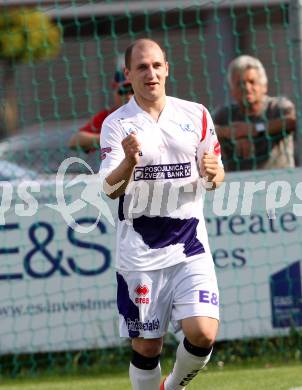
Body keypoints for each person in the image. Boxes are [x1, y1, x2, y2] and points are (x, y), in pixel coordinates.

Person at [100, 38, 224, 390]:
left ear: (167, 68)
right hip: (141, 253)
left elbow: (215, 177)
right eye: (141, 67)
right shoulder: (117, 124)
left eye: (156, 65)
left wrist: (214, 172)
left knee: (203, 332)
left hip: (190, 246)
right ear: (128, 74)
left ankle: (171, 388)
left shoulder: (196, 114)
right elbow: (110, 189)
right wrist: (128, 161)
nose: (150, 73)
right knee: (147, 346)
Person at [213, 55, 296, 171]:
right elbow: (203, 130)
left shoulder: (277, 107)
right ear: (232, 90)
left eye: (252, 82)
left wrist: (254, 129)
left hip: (280, 182)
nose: (247, 88)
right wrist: (230, 132)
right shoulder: (224, 115)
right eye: (240, 83)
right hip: (238, 185)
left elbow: (291, 121)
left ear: (264, 86)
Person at [69, 69, 134, 152]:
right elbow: (74, 141)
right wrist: (110, 138)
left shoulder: (148, 112)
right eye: (123, 92)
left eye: (132, 91)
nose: (128, 96)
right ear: (114, 93)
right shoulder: (107, 116)